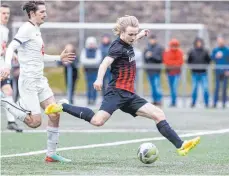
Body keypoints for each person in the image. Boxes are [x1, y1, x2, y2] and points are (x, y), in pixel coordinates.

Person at [45, 15, 200, 156]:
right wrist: (99, 79)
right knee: (97, 121)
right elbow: (105, 63)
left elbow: (133, 38)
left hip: (129, 95)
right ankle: (63, 105)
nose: (133, 37)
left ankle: (181, 146)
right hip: (116, 92)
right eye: (131, 34)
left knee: (158, 114)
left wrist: (141, 34)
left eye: (135, 34)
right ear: (121, 32)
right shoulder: (116, 47)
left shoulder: (128, 41)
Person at [0, 1, 75, 162]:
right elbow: (11, 47)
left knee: (54, 113)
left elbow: (39, 56)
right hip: (28, 82)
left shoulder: (36, 30)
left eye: (45, 11)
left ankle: (51, 154)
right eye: (42, 12)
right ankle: (5, 101)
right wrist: (6, 66)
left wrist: (58, 58)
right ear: (32, 13)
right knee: (35, 122)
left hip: (40, 80)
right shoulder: (26, 29)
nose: (45, 14)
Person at [0, 4, 23, 132]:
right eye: (3, 13)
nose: (6, 16)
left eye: (7, 13)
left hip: (2, 66)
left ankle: (11, 121)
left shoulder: (5, 30)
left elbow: (3, 47)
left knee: (8, 91)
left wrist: (11, 52)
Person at [187, 37, 211, 108]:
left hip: (203, 73)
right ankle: (193, 103)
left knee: (205, 88)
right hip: (195, 73)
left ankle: (207, 103)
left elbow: (208, 60)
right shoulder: (192, 51)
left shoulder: (205, 51)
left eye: (200, 42)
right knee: (194, 88)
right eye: (197, 42)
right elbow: (189, 61)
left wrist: (204, 66)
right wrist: (193, 67)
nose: (199, 44)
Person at [80, 36, 102, 105]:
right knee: (88, 86)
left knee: (95, 85)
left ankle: (94, 99)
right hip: (87, 71)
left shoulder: (97, 51)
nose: (91, 45)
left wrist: (89, 62)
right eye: (90, 43)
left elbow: (98, 60)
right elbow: (83, 60)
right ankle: (89, 99)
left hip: (95, 71)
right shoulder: (84, 50)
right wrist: (92, 62)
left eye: (92, 43)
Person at [143, 34, 164, 106]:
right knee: (152, 87)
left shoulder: (159, 48)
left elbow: (160, 59)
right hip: (149, 71)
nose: (152, 41)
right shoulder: (147, 48)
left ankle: (159, 100)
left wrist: (152, 55)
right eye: (150, 39)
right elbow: (144, 59)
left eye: (153, 39)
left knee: (157, 85)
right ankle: (154, 100)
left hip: (156, 71)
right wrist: (147, 56)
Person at [163, 38, 184, 107]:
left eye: (175, 45)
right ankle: (173, 101)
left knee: (174, 87)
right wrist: (174, 64)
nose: (174, 47)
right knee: (171, 88)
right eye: (173, 45)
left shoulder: (180, 52)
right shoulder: (167, 52)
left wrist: (172, 64)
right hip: (169, 73)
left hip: (177, 73)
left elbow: (180, 62)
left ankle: (174, 102)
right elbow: (166, 61)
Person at [211, 36, 229, 108]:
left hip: (225, 71)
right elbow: (212, 58)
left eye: (221, 41)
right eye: (219, 41)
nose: (220, 42)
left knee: (224, 87)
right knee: (217, 88)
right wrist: (215, 56)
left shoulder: (227, 50)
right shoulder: (215, 50)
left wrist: (228, 70)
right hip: (218, 72)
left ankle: (224, 103)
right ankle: (215, 103)